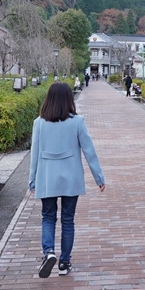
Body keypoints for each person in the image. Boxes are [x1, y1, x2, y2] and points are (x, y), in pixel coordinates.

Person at [28, 82, 105, 278]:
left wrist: (32, 180)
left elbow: (34, 154)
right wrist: (99, 177)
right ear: (69, 99)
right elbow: (89, 151)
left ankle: (48, 252)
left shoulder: (39, 123)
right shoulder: (77, 122)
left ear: (49, 99)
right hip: (71, 178)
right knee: (68, 220)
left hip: (47, 177)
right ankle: (64, 262)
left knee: (48, 217)